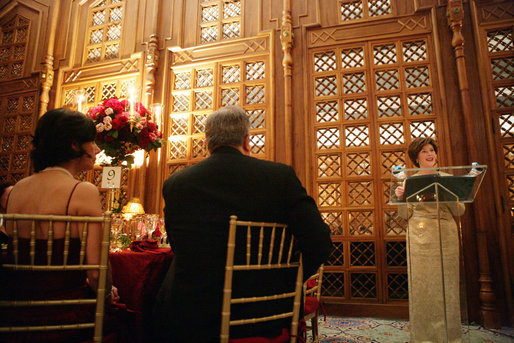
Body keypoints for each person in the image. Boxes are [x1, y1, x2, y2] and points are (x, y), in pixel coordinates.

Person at [153, 105, 333, 342]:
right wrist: (286, 280)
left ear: (207, 142)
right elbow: (320, 242)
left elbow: (178, 246)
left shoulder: (176, 183)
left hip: (191, 311)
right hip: (265, 310)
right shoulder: (280, 177)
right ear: (247, 141)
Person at [0, 108, 119, 342]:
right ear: (75, 145)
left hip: (15, 312)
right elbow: (96, 273)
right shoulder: (82, 191)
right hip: (67, 314)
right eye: (92, 142)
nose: (97, 150)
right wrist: (106, 297)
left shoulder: (18, 189)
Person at [395, 137, 465, 343]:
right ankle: (423, 338)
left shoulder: (447, 177)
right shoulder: (408, 179)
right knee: (423, 288)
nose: (430, 154)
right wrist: (400, 198)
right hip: (419, 236)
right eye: (424, 151)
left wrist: (450, 194)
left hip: (446, 233)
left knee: (447, 287)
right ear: (416, 157)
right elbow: (404, 215)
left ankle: (450, 338)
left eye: (432, 150)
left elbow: (459, 210)